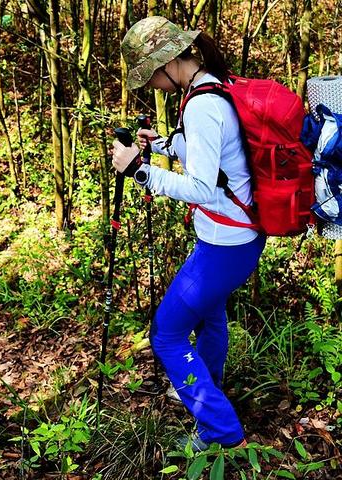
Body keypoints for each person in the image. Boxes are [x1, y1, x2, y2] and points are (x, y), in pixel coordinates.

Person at [112, 16, 266, 451]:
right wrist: (160, 144)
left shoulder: (201, 105)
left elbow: (200, 186)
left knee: (166, 333)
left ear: (166, 63)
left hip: (225, 243)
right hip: (238, 236)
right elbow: (214, 161)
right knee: (211, 316)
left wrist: (139, 171)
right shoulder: (210, 85)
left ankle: (220, 429)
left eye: (151, 77)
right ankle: (206, 391)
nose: (154, 86)